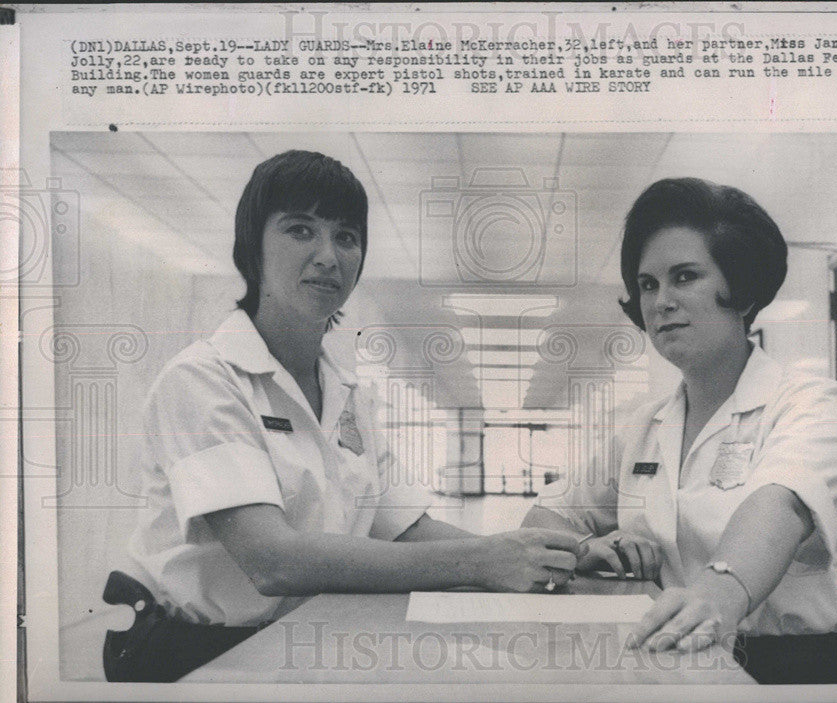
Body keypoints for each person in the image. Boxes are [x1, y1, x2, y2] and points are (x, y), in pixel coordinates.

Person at [103, 150, 584, 682]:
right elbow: (273, 560)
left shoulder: (348, 393)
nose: (328, 256)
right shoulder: (202, 380)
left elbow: (407, 528)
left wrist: (552, 554)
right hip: (193, 655)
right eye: (300, 231)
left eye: (347, 237)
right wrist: (482, 562)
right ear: (252, 249)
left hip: (296, 643)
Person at [523, 177, 837, 684]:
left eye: (685, 277)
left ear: (740, 289)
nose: (660, 302)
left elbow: (780, 505)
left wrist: (717, 595)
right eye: (648, 284)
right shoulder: (643, 428)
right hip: (678, 667)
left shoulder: (813, 403)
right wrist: (585, 551)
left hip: (802, 678)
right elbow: (544, 519)